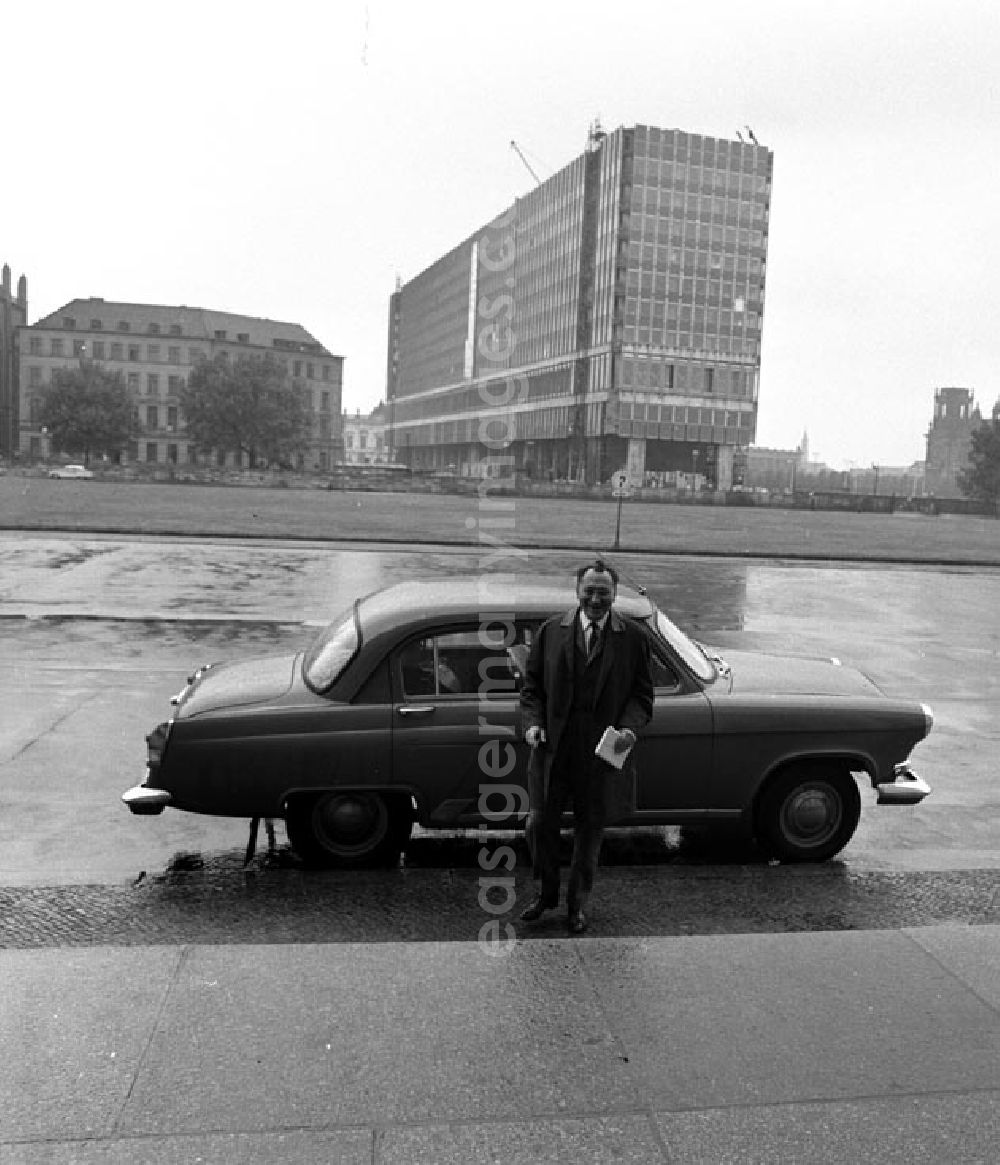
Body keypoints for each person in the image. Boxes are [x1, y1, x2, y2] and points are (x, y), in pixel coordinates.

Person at [520, 560, 654, 934]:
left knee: (589, 831)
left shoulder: (633, 638)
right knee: (538, 824)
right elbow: (531, 690)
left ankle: (576, 906)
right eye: (589, 591)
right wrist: (532, 724)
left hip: (600, 755)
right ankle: (546, 894)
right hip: (553, 752)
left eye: (603, 592)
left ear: (614, 594)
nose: (596, 599)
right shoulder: (551, 632)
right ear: (577, 591)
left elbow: (642, 698)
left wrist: (628, 729)